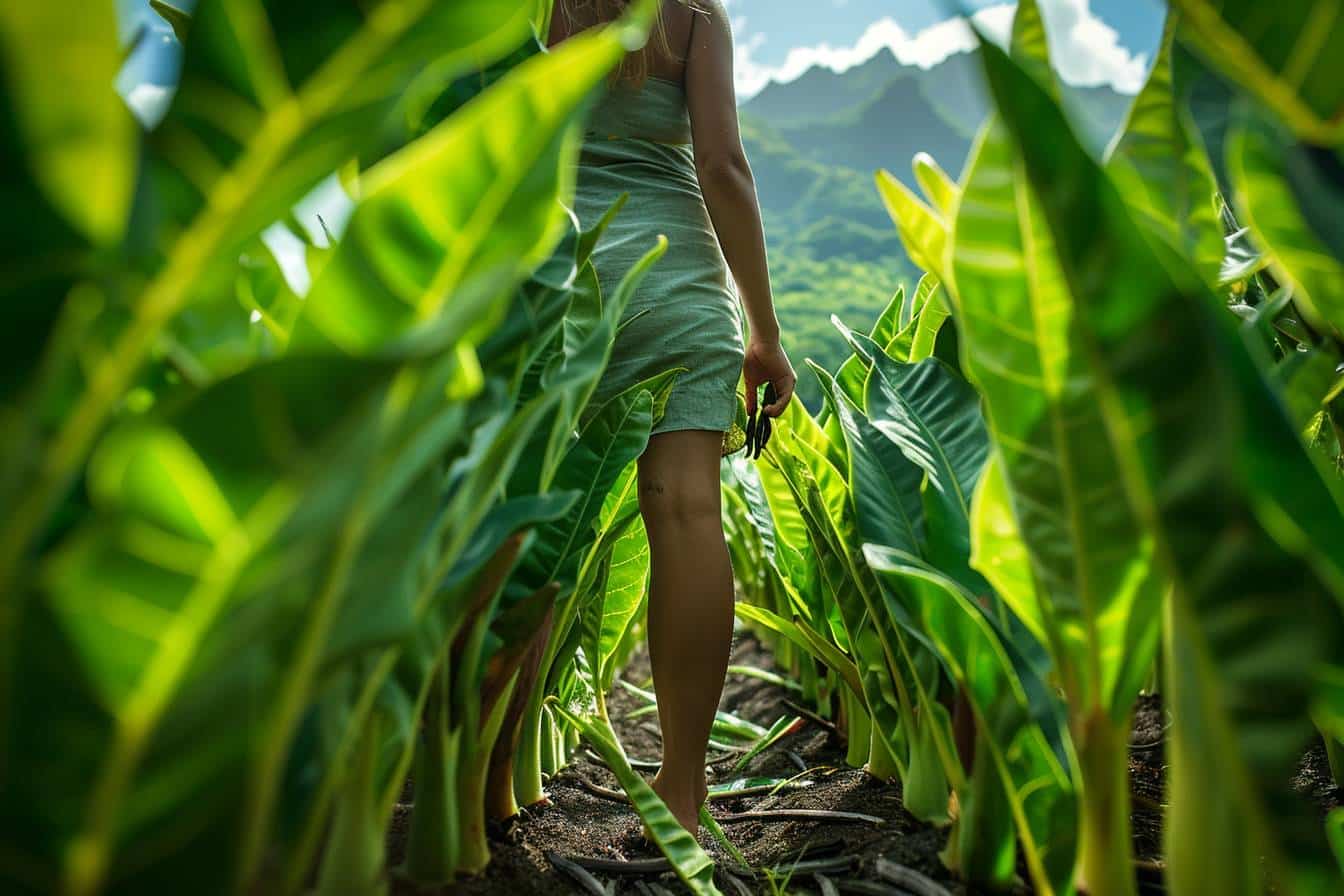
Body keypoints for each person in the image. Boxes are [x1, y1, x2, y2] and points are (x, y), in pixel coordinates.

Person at [549, 0, 797, 835]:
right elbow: (723, 167)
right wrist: (765, 331)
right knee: (689, 513)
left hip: (556, 277)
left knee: (541, 520)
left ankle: (487, 773)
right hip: (678, 279)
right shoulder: (694, 14)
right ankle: (683, 794)